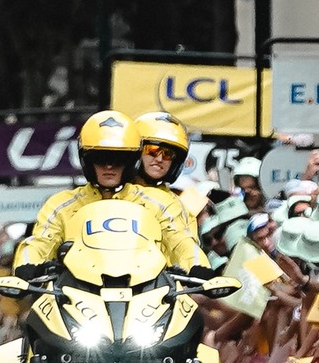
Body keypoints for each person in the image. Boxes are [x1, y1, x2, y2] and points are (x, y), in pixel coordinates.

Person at [14, 112, 208, 272]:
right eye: (152, 150)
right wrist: (27, 265)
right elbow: (40, 241)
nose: (109, 165)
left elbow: (183, 243)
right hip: (78, 294)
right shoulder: (63, 202)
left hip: (154, 297)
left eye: (168, 154)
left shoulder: (169, 204)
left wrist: (197, 267)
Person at [131, 112, 189, 190]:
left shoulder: (177, 200)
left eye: (168, 154)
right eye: (152, 150)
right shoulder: (113, 195)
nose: (159, 159)